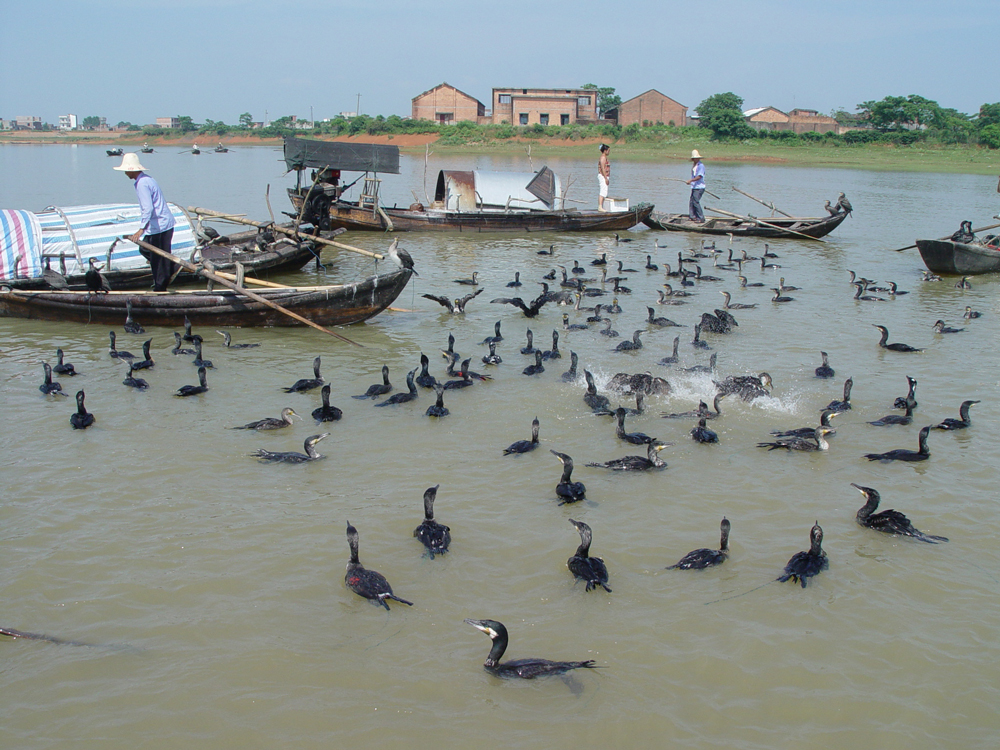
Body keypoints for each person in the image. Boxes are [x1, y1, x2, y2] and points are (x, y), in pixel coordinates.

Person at [115, 152, 176, 291]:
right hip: (160, 224)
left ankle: (160, 288)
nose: (125, 173)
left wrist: (141, 229)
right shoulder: (147, 179)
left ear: (131, 170)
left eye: (126, 170)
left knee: (158, 257)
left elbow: (147, 208)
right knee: (145, 249)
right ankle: (168, 267)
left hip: (160, 226)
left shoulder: (142, 183)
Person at [686, 150, 706, 222]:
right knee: (691, 201)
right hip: (694, 186)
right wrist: (691, 182)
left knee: (695, 202)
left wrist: (690, 180)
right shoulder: (694, 165)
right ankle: (692, 216)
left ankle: (701, 218)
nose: (696, 159)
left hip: (699, 187)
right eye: (694, 158)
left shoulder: (700, 166)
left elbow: (699, 176)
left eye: (697, 158)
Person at [598, 144, 611, 211]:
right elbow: (602, 168)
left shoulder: (605, 157)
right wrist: (605, 178)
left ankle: (602, 206)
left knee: (605, 191)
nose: (609, 152)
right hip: (603, 176)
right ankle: (600, 206)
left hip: (605, 176)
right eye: (608, 150)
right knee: (602, 191)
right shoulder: (603, 157)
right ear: (605, 150)